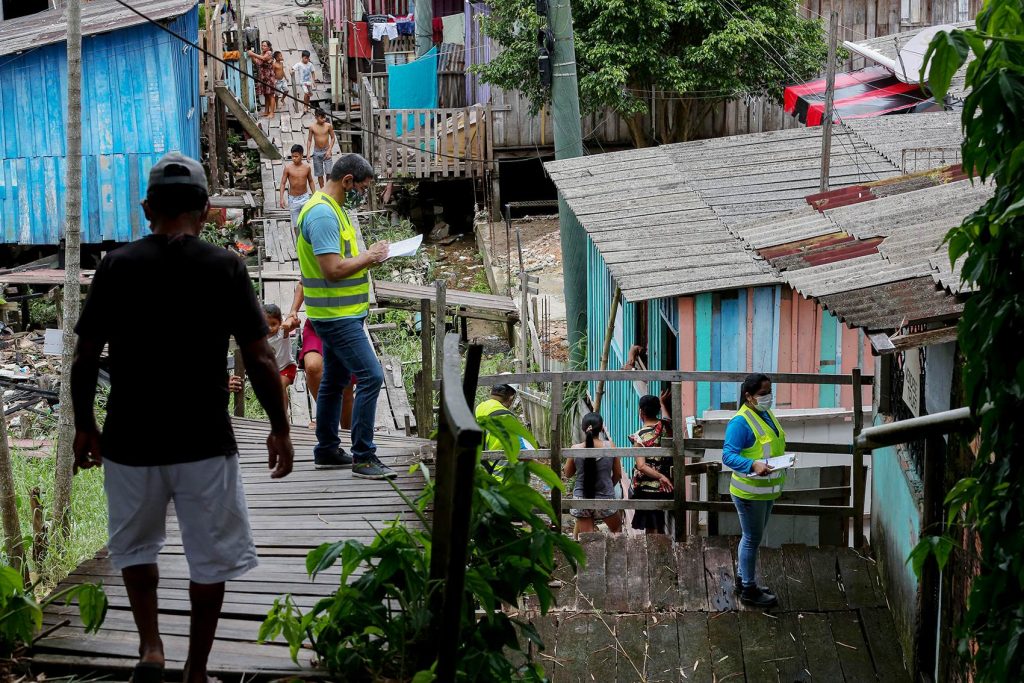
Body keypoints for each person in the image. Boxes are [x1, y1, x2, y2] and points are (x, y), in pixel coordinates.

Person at [70, 153, 294, 683]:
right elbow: (261, 358)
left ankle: (150, 647)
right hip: (204, 441)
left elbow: (84, 357)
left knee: (135, 547)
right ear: (206, 208)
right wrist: (280, 427)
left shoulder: (117, 266)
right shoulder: (225, 267)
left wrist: (86, 424)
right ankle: (196, 668)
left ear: (147, 207)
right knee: (210, 558)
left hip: (130, 438)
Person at [295, 153, 392, 476]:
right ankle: (363, 455)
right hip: (336, 317)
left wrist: (368, 257)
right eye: (360, 188)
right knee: (371, 377)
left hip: (338, 313)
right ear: (347, 180)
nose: (360, 195)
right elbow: (333, 269)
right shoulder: (323, 214)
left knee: (334, 381)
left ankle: (326, 449)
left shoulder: (332, 209)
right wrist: (369, 257)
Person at [723, 373, 786, 608]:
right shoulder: (740, 422)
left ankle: (743, 580)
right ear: (748, 397)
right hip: (750, 491)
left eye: (770, 392)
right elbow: (728, 455)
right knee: (752, 538)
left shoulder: (765, 414)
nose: (768, 397)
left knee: (752, 537)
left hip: (765, 489)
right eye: (763, 394)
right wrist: (752, 465)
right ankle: (748, 589)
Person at [283, 282, 355, 430]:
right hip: (318, 323)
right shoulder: (316, 260)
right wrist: (293, 311)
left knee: (346, 385)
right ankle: (327, 419)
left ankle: (348, 434)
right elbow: (303, 283)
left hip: (345, 324)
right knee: (313, 367)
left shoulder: (350, 259)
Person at [564, 412, 622, 538]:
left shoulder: (575, 449)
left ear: (583, 429)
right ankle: (614, 558)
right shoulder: (610, 446)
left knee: (588, 539)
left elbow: (567, 473)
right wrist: (608, 486)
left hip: (581, 498)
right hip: (605, 498)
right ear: (601, 428)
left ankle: (590, 558)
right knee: (616, 529)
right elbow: (618, 474)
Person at [628, 394, 674, 535]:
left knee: (651, 527)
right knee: (658, 522)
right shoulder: (665, 427)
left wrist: (660, 477)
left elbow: (641, 466)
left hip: (647, 488)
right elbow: (667, 419)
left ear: (641, 411)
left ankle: (652, 554)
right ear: (658, 410)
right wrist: (663, 404)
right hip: (665, 488)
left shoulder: (640, 436)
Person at [474, 383, 525, 476]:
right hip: (501, 478)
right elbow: (522, 452)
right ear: (511, 397)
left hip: (481, 474)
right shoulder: (507, 417)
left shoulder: (479, 408)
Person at [280, 144, 315, 227]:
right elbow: (283, 183)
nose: (294, 158)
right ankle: (297, 240)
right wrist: (281, 198)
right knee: (296, 225)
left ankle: (306, 239)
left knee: (306, 223)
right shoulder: (288, 168)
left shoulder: (307, 168)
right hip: (293, 199)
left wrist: (314, 194)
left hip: (305, 198)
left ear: (302, 155)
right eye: (292, 156)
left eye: (296, 156)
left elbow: (310, 181)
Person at [264, 303, 297, 390]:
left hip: (287, 367)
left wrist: (288, 323)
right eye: (266, 324)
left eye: (273, 324)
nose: (270, 328)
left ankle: (283, 404)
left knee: (280, 386)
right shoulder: (260, 337)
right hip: (270, 372)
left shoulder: (282, 333)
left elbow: (297, 322)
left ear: (280, 323)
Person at [306, 109, 337, 189]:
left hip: (327, 150)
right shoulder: (312, 127)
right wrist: (308, 153)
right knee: (319, 174)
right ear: (316, 117)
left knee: (329, 172)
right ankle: (323, 189)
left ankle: (328, 188)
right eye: (321, 118)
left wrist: (329, 150)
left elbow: (333, 138)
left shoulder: (328, 126)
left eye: (324, 118)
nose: (323, 119)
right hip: (317, 152)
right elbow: (309, 140)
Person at [246, 40, 276, 118]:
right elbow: (257, 62)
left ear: (269, 47)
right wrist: (252, 56)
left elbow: (263, 58)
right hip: (263, 77)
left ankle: (272, 113)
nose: (263, 47)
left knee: (271, 95)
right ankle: (266, 111)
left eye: (265, 46)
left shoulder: (269, 53)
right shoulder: (262, 53)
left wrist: (253, 53)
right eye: (262, 45)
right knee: (266, 95)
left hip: (269, 77)